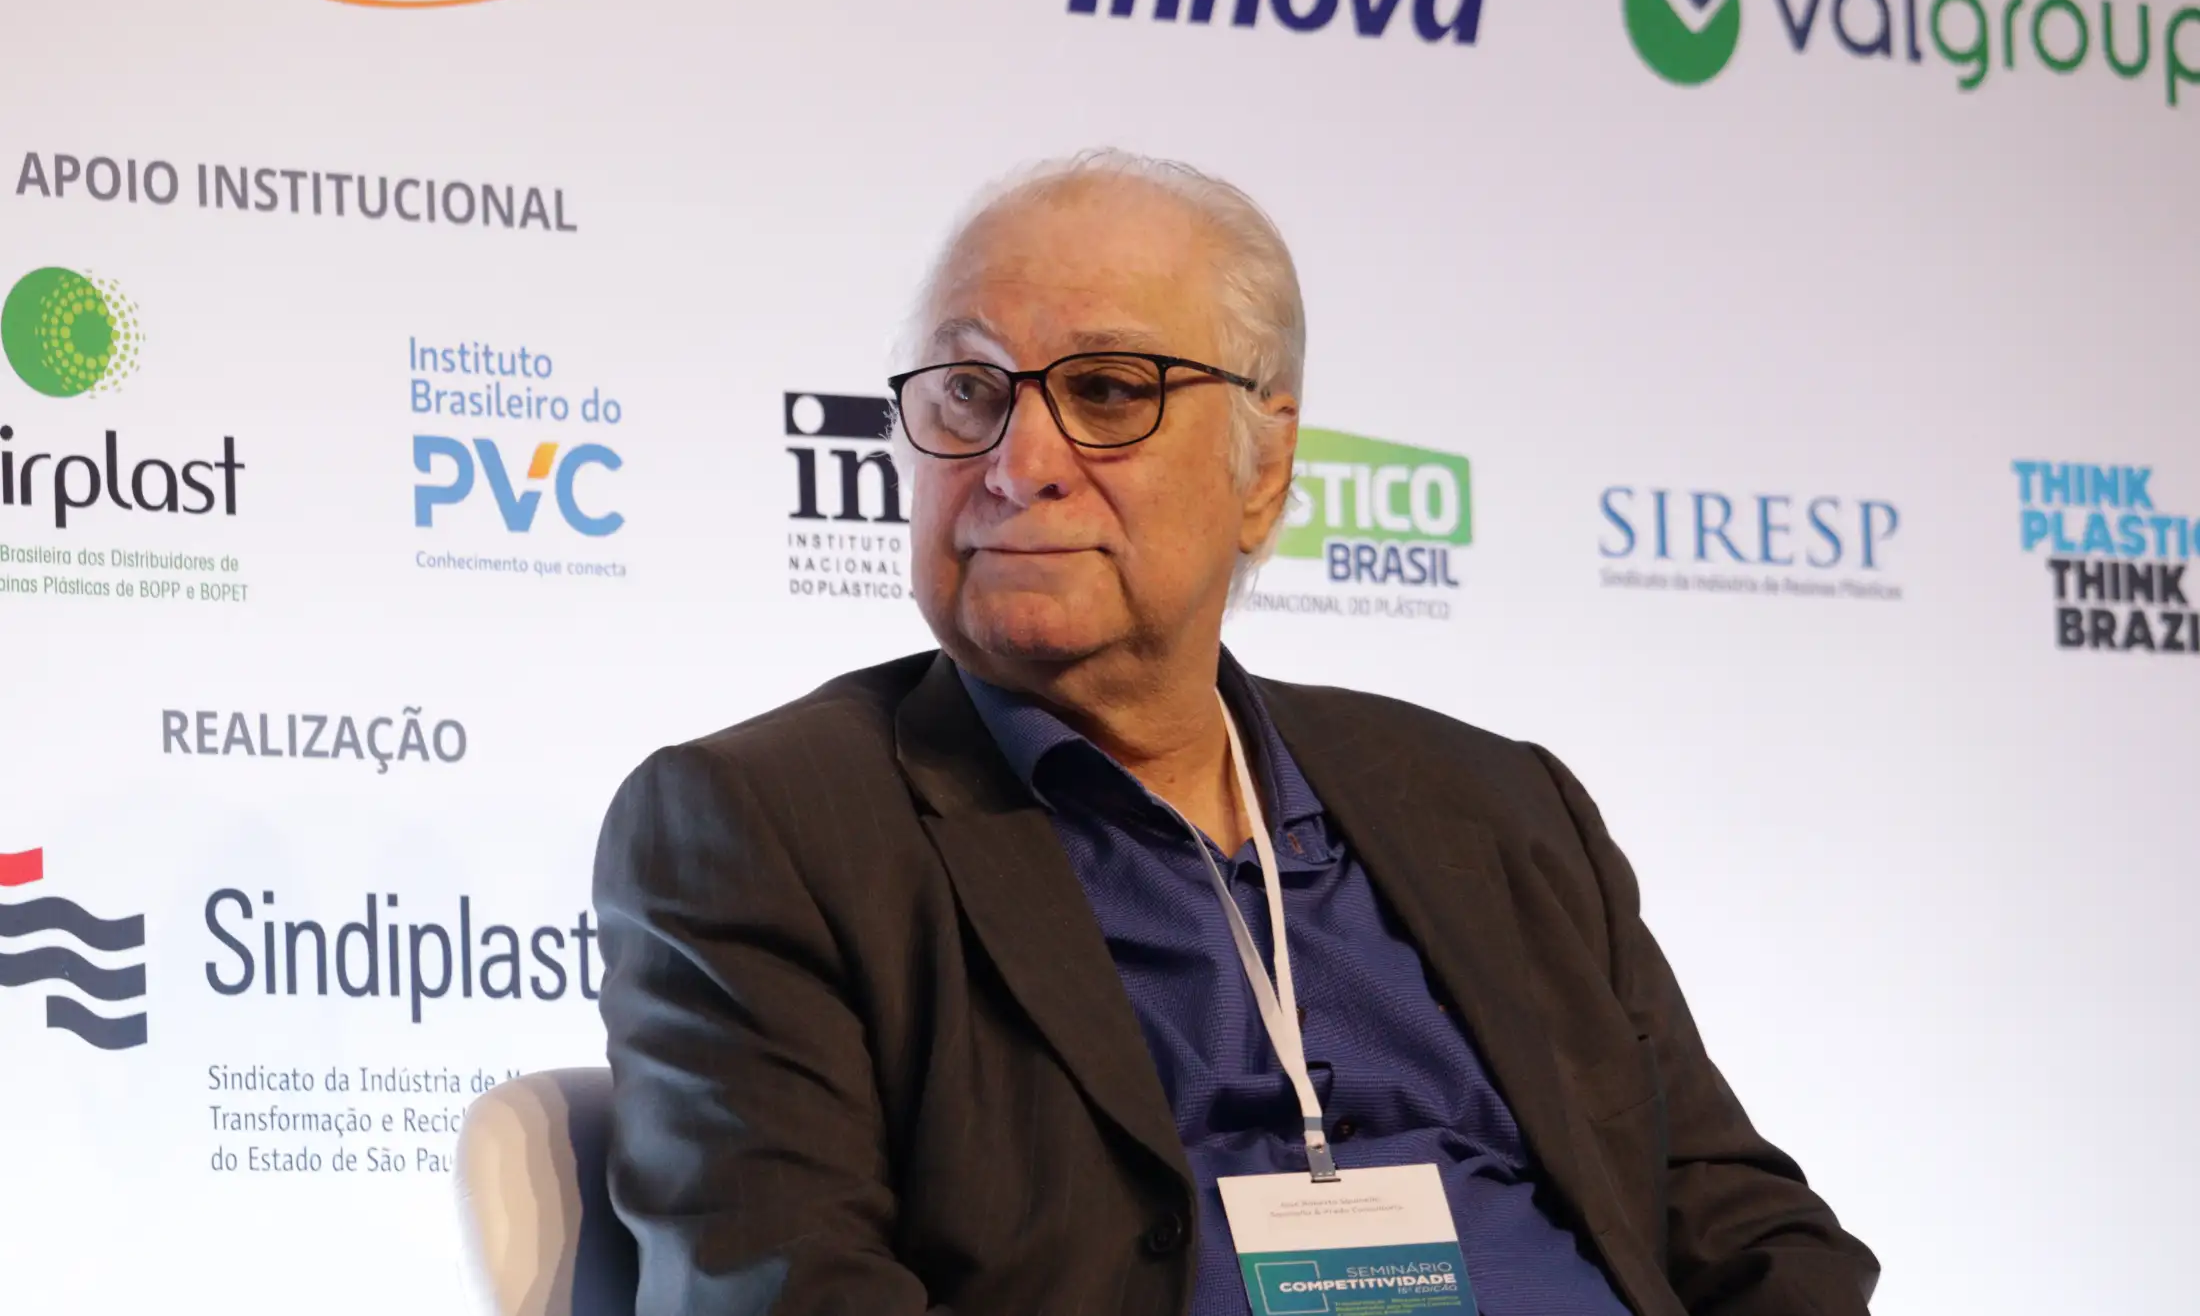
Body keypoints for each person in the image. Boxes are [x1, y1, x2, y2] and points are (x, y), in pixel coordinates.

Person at [594, 151, 1878, 1316]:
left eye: (1107, 391)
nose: (1018, 459)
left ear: (1263, 470)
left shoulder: (1497, 806)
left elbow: (1747, 1233)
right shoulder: (768, 830)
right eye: (968, 391)